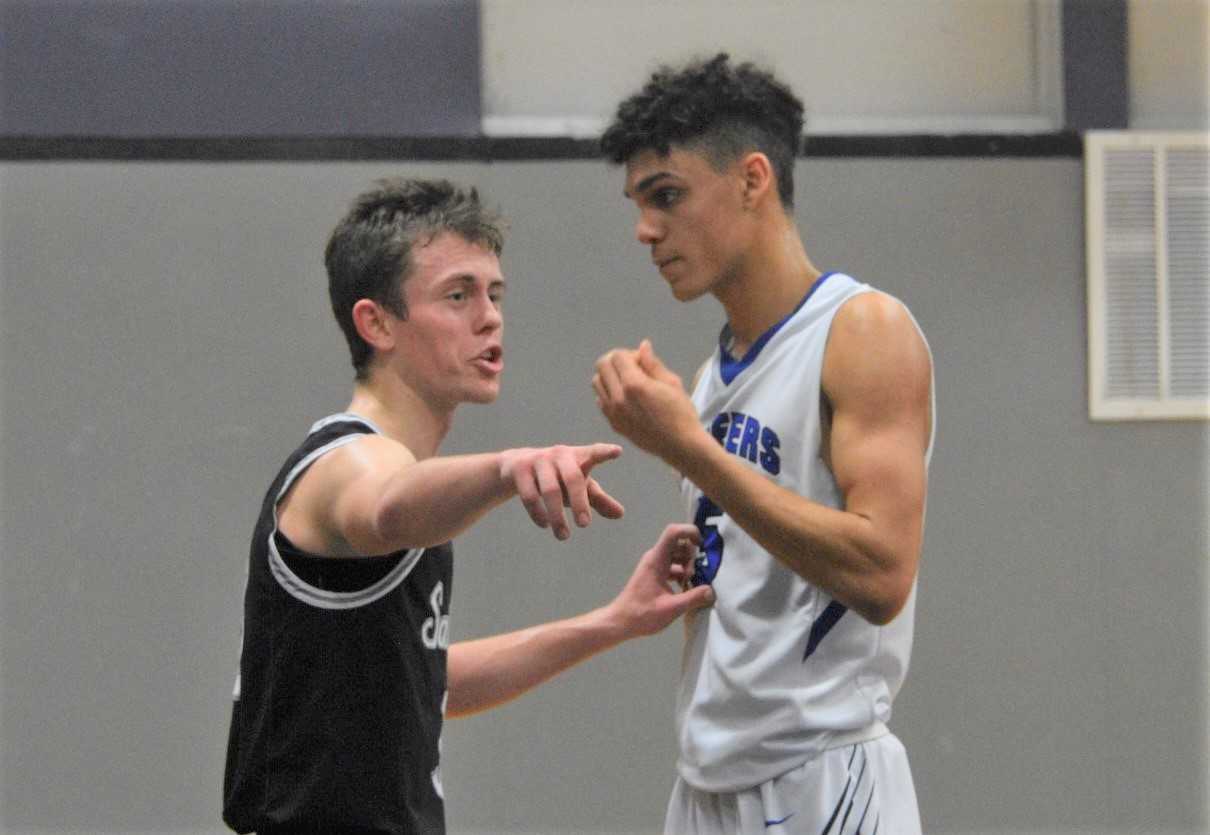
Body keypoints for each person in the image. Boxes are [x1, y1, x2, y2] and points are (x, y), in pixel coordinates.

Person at [222, 177, 715, 835]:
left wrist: (613, 622)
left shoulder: (400, 478)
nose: (489, 316)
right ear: (376, 322)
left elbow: (429, 680)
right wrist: (511, 467)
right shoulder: (346, 464)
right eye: (457, 295)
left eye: (494, 294)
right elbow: (385, 506)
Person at [593, 54, 935, 834]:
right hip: (710, 777)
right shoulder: (714, 375)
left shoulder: (863, 330)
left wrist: (689, 450)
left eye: (666, 196)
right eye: (639, 203)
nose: (646, 229)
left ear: (753, 179)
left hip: (821, 775)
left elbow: (882, 573)